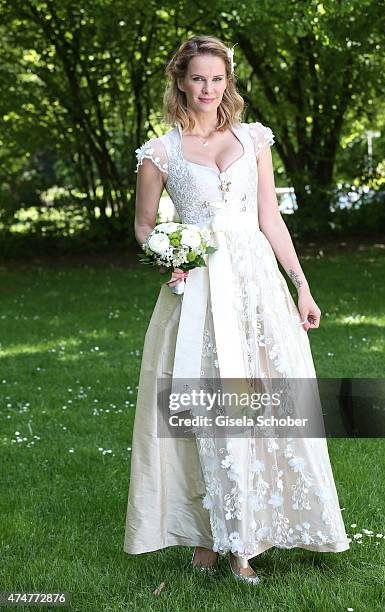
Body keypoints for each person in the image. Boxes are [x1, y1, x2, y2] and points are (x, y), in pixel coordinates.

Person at [124, 34, 350, 585]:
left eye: (217, 79)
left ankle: (244, 535)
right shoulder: (161, 152)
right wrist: (168, 255)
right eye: (198, 78)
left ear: (229, 83)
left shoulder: (253, 140)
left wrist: (302, 285)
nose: (208, 89)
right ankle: (212, 538)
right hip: (198, 289)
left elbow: (270, 218)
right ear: (180, 81)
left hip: (255, 291)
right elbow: (144, 224)